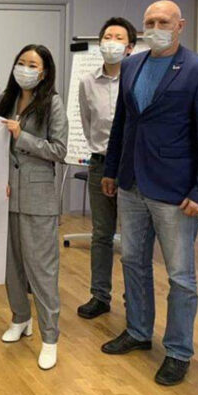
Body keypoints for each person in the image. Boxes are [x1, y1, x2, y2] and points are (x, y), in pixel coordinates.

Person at [100, 0, 198, 386]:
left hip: (175, 191)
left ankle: (178, 351)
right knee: (132, 261)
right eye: (150, 22)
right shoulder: (132, 65)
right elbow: (122, 124)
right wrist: (111, 169)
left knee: (181, 276)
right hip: (131, 183)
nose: (155, 28)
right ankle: (139, 331)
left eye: (163, 22)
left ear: (180, 26)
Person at [0, 44, 68, 371]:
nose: (25, 69)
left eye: (32, 65)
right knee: (12, 265)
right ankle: (20, 318)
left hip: (39, 197)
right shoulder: (6, 100)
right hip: (7, 195)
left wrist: (21, 136)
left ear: (44, 72)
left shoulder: (52, 102)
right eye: (21, 62)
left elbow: (58, 150)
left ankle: (50, 337)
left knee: (42, 270)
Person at [76, 17, 138, 320]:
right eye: (107, 37)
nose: (111, 43)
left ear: (130, 47)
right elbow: (87, 123)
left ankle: (134, 302)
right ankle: (99, 296)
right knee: (101, 234)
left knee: (133, 239)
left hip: (134, 166)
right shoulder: (87, 82)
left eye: (118, 38)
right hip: (101, 164)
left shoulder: (138, 80)